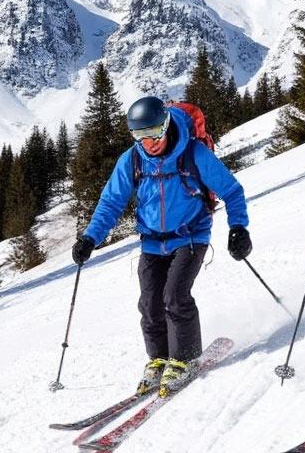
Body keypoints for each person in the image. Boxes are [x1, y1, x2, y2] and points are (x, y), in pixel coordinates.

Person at [71, 96, 252, 397]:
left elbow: (232, 191)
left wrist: (238, 228)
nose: (149, 142)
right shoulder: (132, 160)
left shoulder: (193, 153)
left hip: (191, 235)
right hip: (152, 241)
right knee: (150, 302)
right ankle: (159, 357)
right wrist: (90, 237)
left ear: (166, 125)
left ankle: (185, 359)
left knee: (175, 295)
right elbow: (111, 203)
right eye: (140, 135)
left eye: (154, 133)